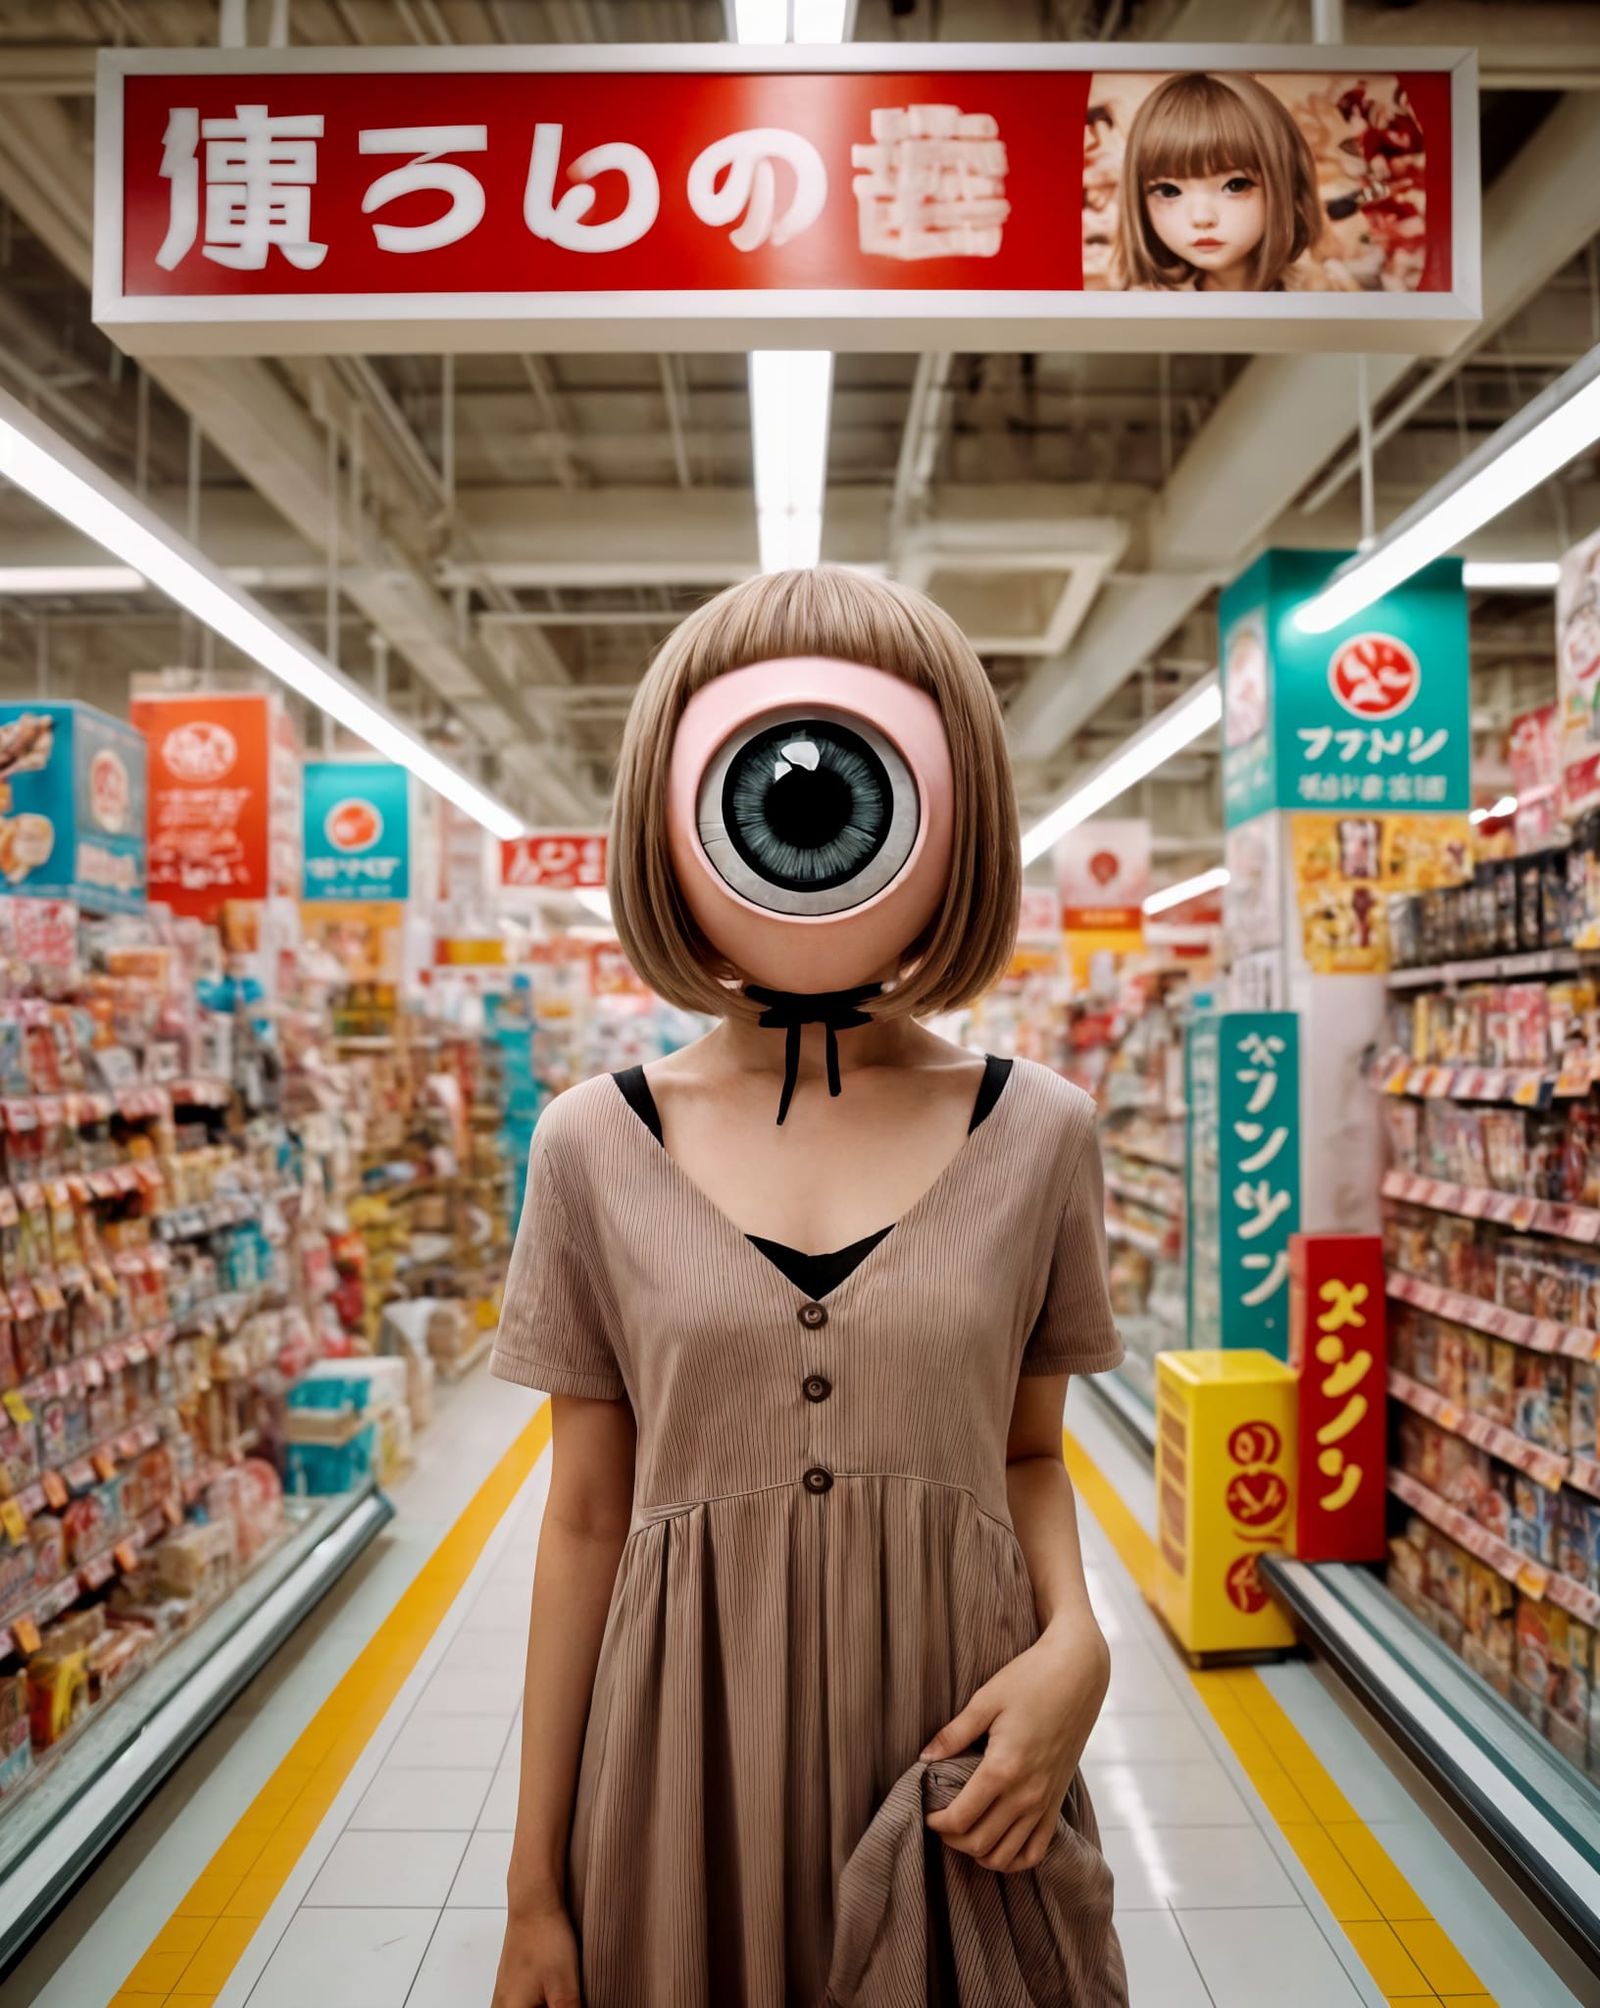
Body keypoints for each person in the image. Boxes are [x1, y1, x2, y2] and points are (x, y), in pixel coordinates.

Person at [488, 566, 1128, 2007]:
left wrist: (1080, 1646)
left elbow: (1029, 1450)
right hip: (678, 1773)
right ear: (671, 809)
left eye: (851, 780)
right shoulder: (593, 1143)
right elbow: (586, 1517)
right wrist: (535, 1886)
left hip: (963, 1751)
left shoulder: (1040, 1132)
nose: (806, 816)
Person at [1113, 70, 1326, 293]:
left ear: (1285, 184)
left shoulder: (1323, 292)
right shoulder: (1143, 309)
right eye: (1168, 191)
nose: (1201, 218)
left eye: (1236, 185)